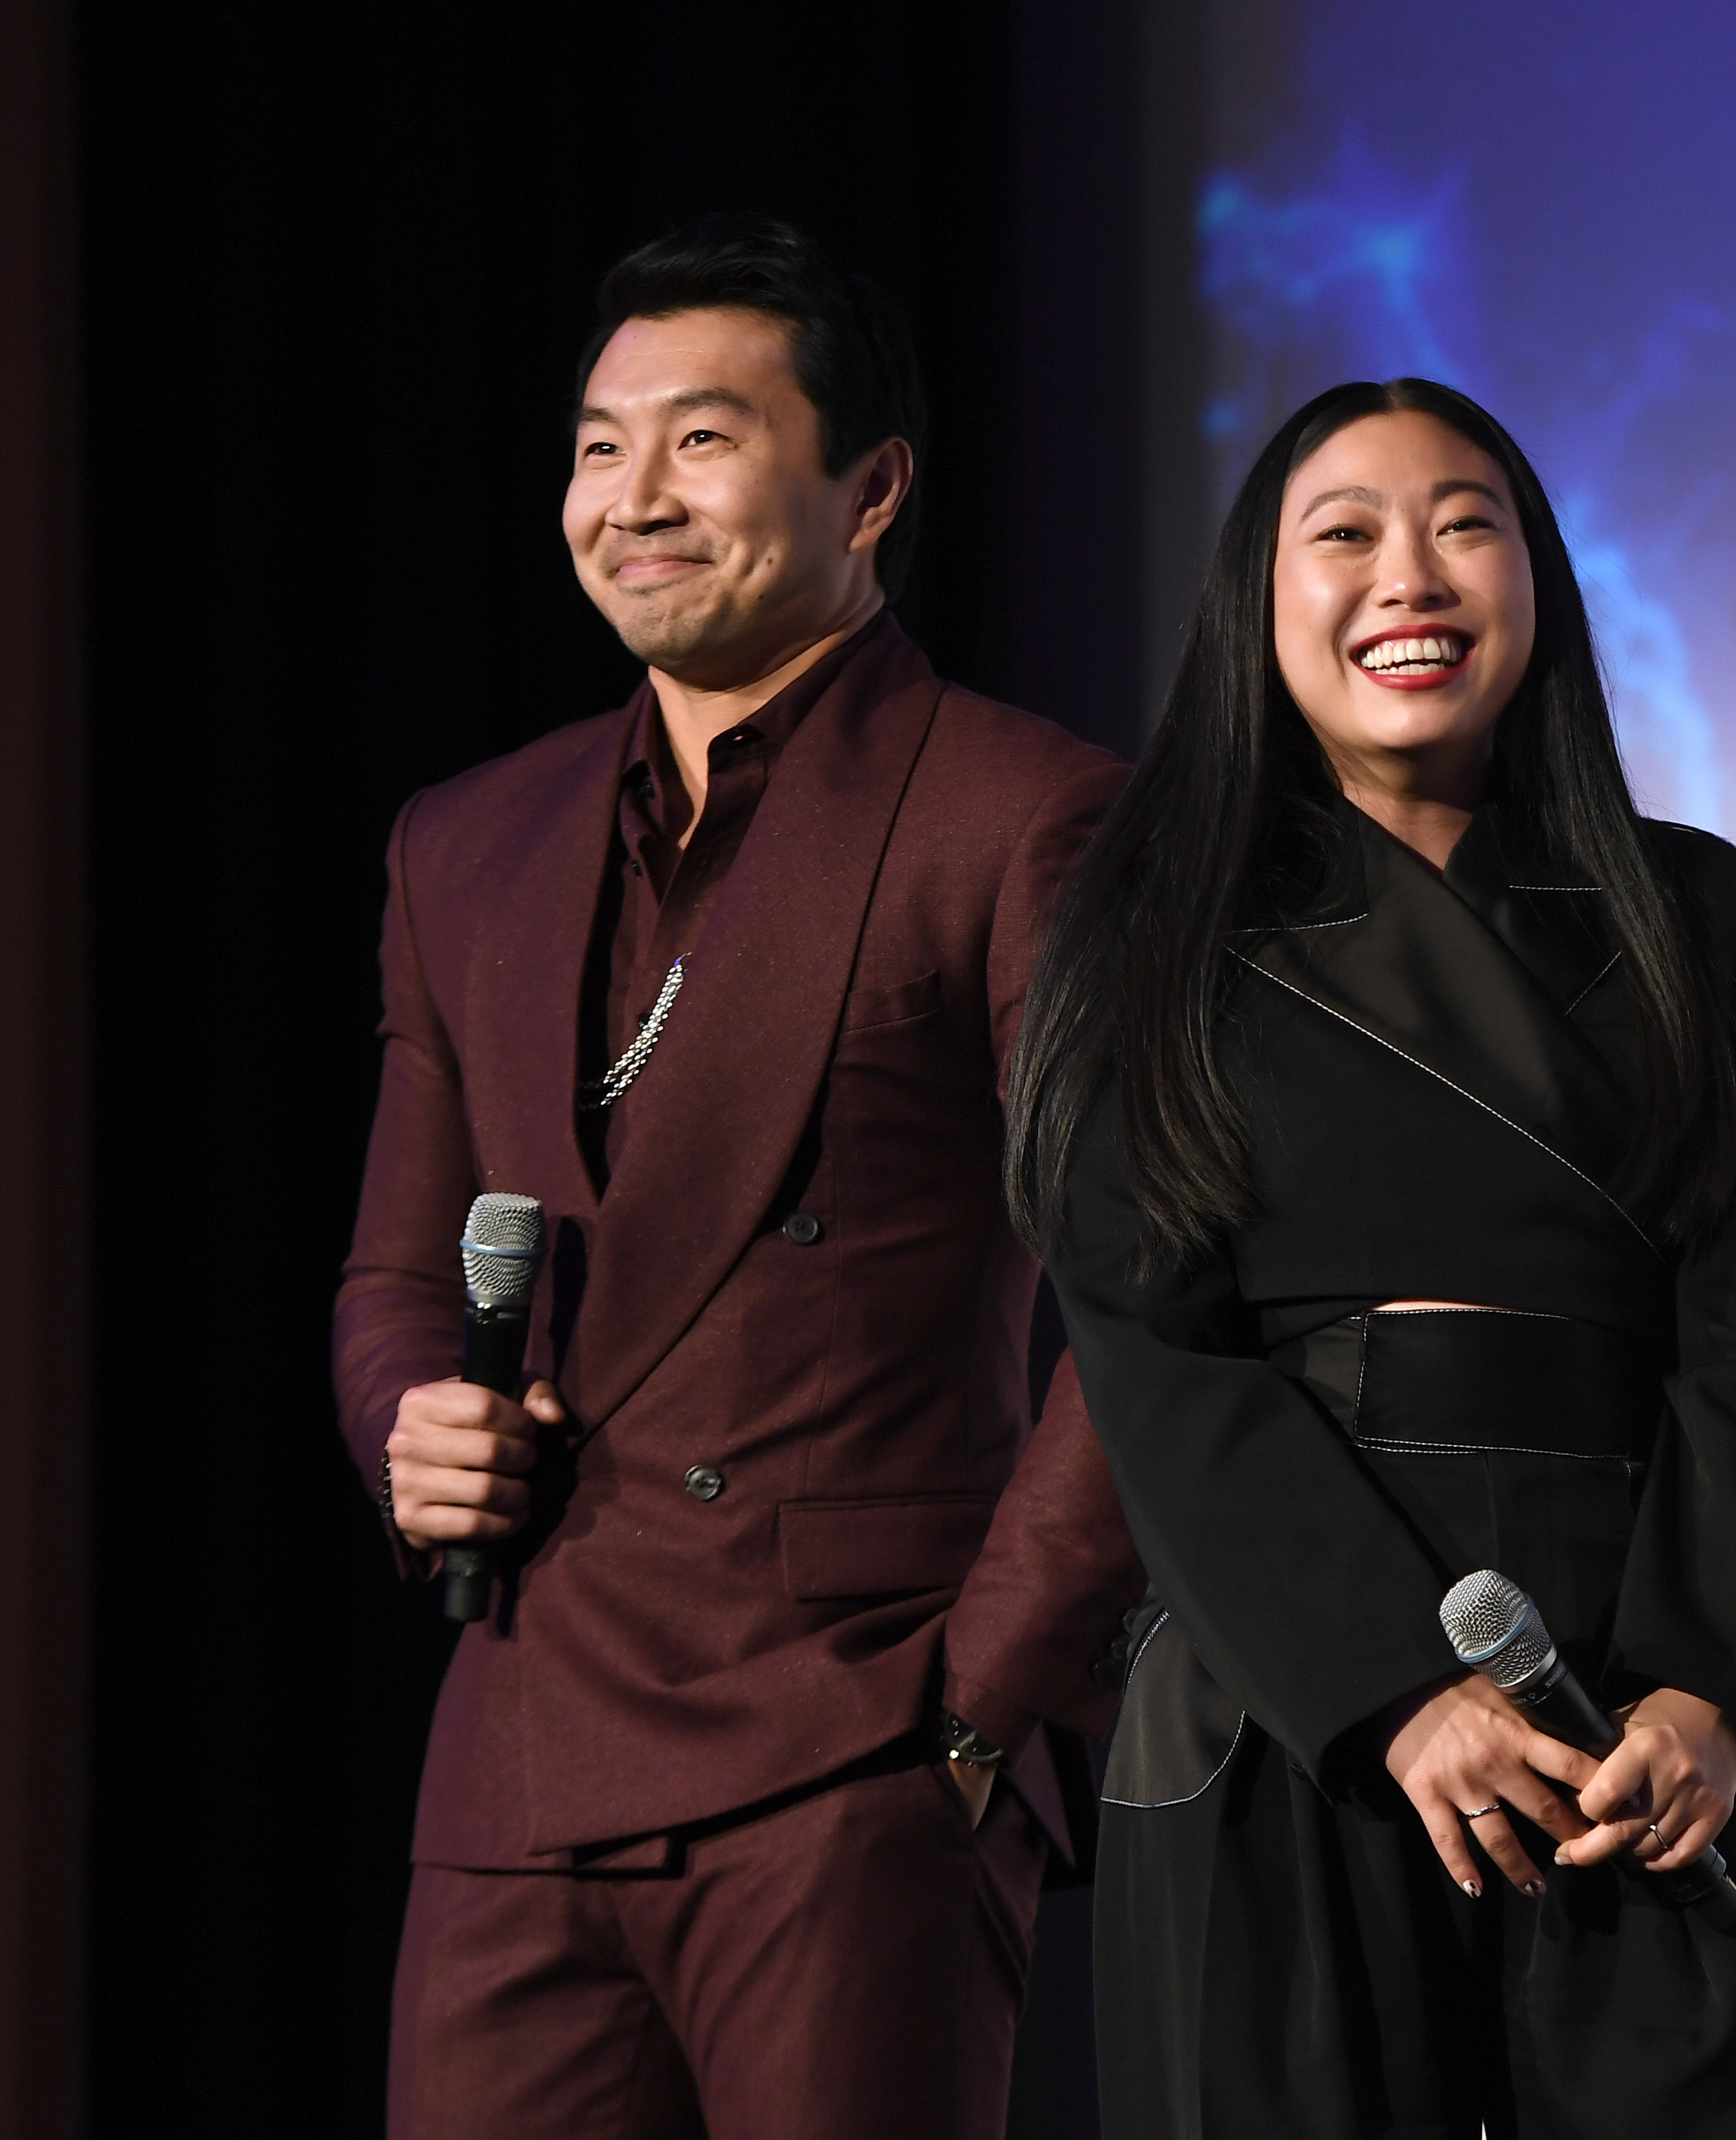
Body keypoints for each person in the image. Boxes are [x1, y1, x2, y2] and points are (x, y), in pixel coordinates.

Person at [333, 219, 1145, 2138]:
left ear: (871, 488)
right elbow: (387, 1276)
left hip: (854, 1739)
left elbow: (1147, 1310)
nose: (635, 499)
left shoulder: (1021, 812)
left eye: (703, 440)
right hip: (524, 1733)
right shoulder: (471, 842)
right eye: (601, 448)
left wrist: (977, 1714)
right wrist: (405, 1430)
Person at [1003, 378, 1736, 2137]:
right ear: (1259, 599)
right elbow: (1151, 1352)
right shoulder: (1151, 936)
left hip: (1636, 1675)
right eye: (1348, 536)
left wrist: (1707, 1687)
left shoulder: (1690, 914)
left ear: (1538, 584)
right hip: (1288, 1681)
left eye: (1468, 526)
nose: (1414, 577)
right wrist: (1388, 1687)